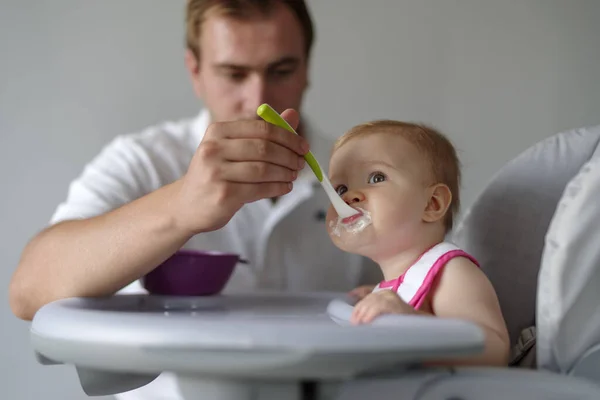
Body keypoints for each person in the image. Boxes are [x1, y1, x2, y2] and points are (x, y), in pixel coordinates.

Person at [9, 1, 381, 398]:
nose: (259, 100)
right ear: (195, 71)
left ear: (307, 69)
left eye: (281, 71)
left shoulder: (360, 172)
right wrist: (180, 208)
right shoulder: (143, 161)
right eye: (233, 73)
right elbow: (30, 290)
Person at [325, 120, 511, 366]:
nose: (350, 196)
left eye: (376, 177)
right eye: (340, 189)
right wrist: (379, 295)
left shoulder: (450, 273)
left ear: (432, 204)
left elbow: (495, 351)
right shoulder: (396, 287)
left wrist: (411, 321)